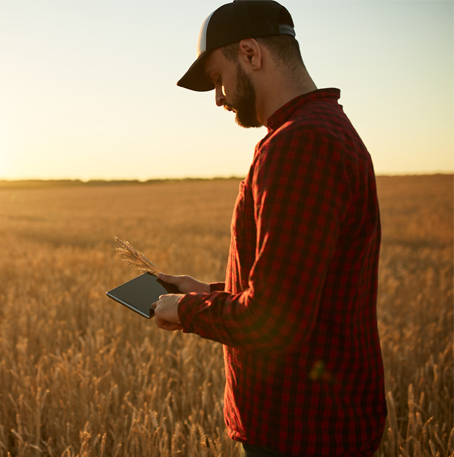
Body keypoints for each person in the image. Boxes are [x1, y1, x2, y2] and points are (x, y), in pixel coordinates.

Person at [151, 1, 387, 456]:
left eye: (218, 78)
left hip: (300, 432)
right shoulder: (320, 129)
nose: (218, 98)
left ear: (250, 53)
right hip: (316, 425)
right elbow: (298, 288)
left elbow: (273, 322)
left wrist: (187, 312)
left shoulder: (300, 144)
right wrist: (207, 291)